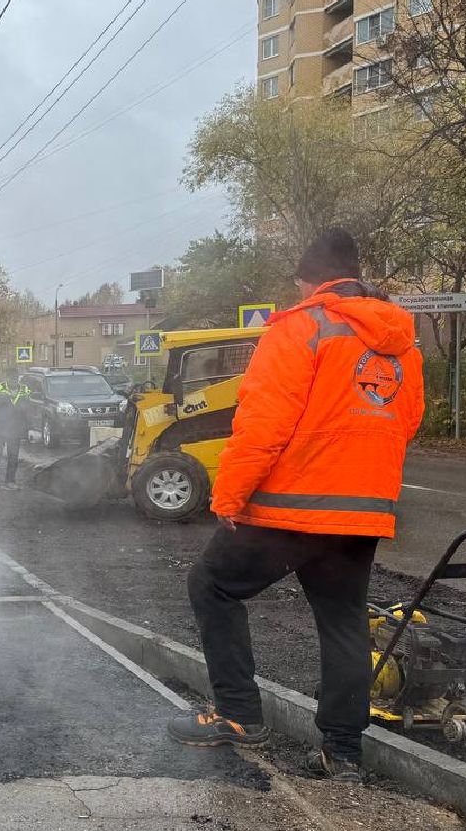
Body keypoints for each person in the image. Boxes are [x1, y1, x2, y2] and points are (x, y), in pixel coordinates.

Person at [167, 229, 424, 782]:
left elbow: (263, 423)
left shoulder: (301, 328)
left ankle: (238, 716)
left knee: (211, 584)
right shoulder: (401, 343)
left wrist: (230, 493)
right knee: (344, 623)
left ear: (310, 281)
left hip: (291, 507)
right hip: (361, 512)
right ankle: (343, 753)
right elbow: (407, 422)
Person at [0, 371, 32, 491]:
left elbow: (29, 412)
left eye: (15, 379)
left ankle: (10, 481)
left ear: (18, 379)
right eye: (11, 379)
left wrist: (30, 429)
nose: (13, 381)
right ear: (7, 378)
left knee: (13, 457)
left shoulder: (25, 391)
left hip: (15, 430)